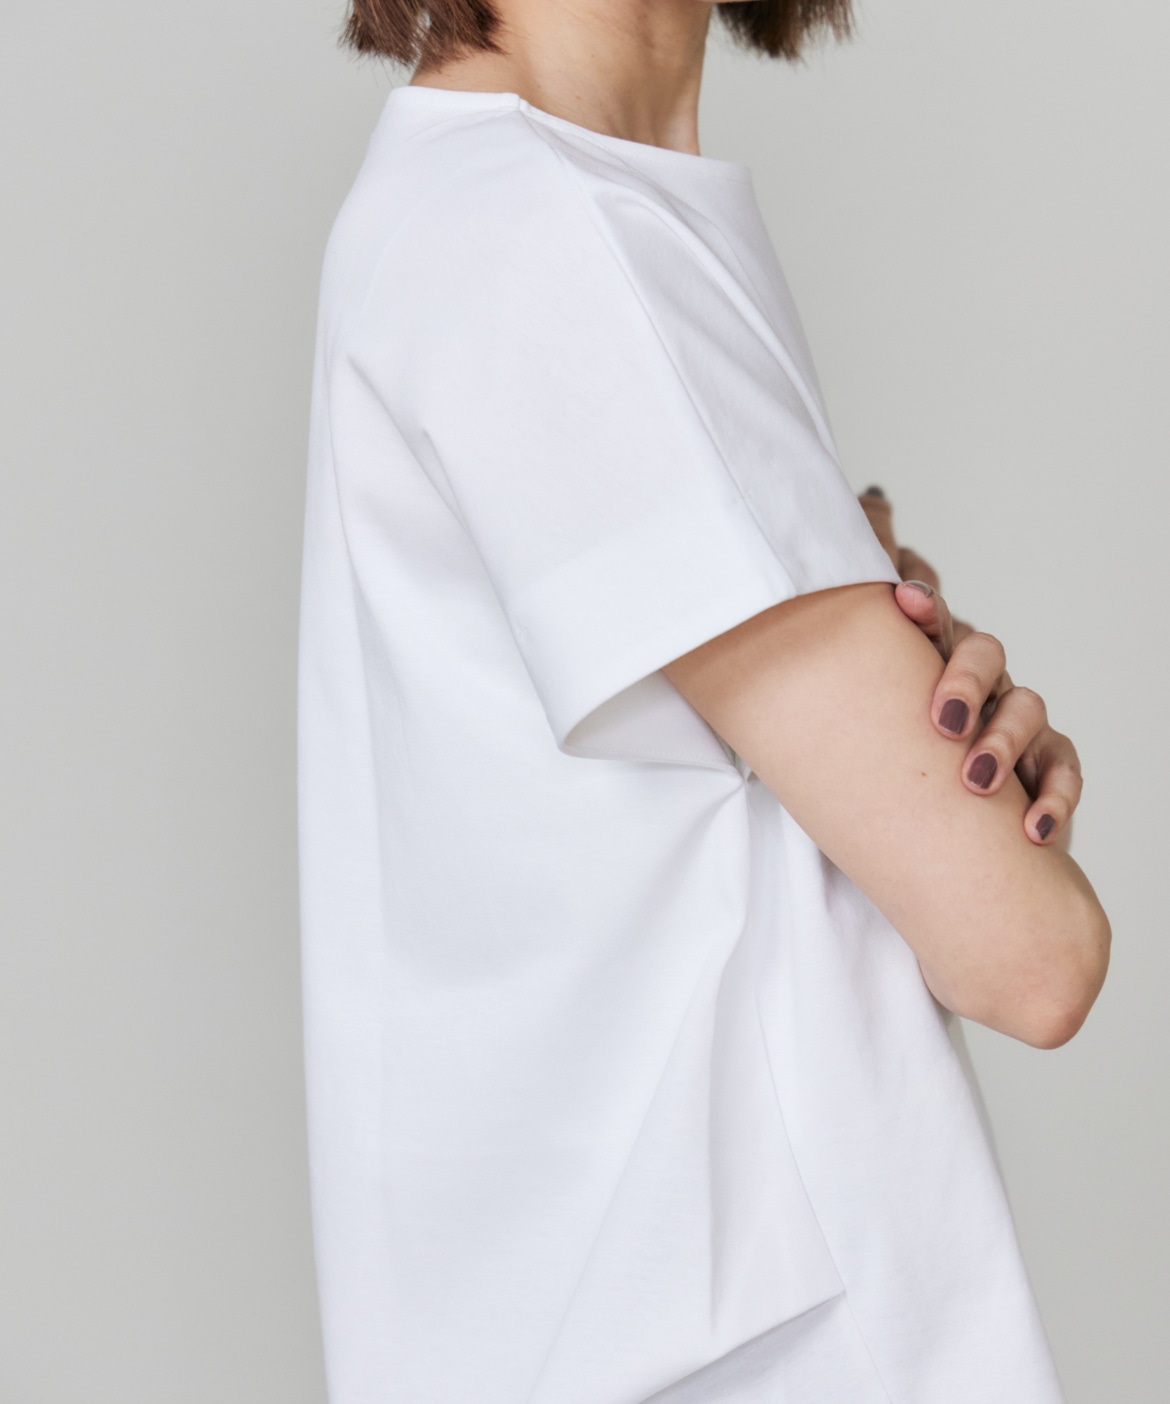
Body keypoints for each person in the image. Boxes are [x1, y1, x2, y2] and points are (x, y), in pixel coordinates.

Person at [296, 0, 1111, 1400]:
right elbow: (1032, 958)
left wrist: (922, 716)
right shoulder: (547, 238)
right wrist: (957, 789)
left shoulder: (521, 203)